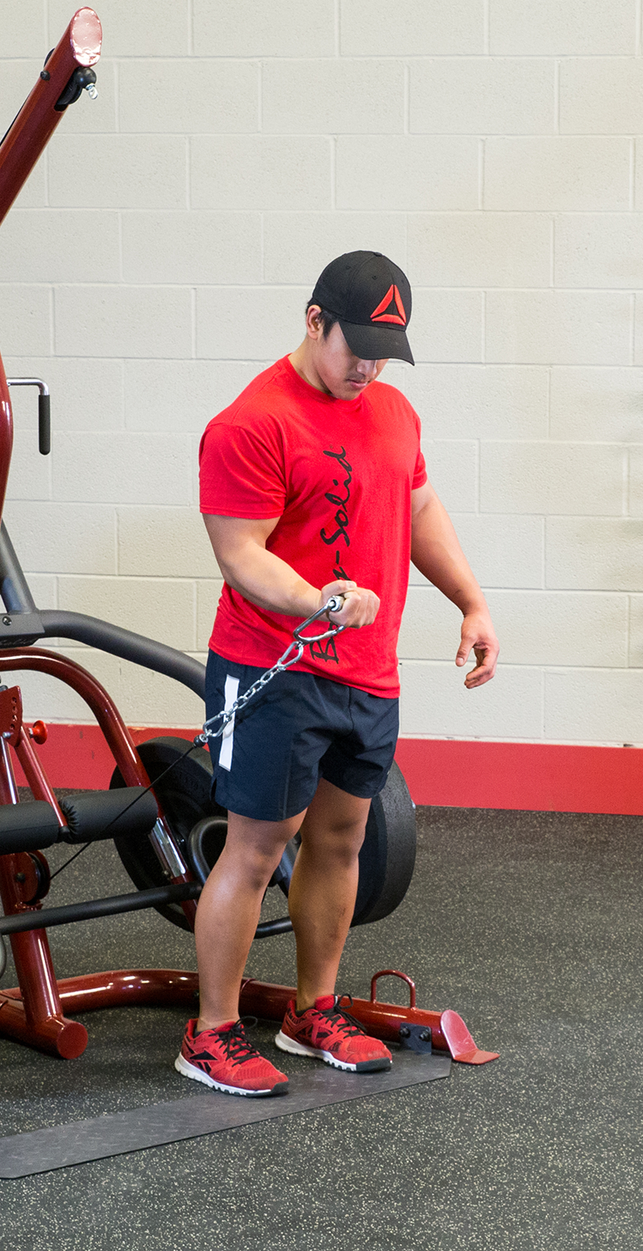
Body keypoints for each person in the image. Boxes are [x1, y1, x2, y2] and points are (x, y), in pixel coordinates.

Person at [175, 251, 499, 1096]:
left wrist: (471, 599)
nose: (367, 366)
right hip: (271, 668)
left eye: (383, 351)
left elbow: (417, 508)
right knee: (256, 847)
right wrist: (316, 599)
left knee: (342, 838)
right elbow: (239, 553)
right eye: (354, 345)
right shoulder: (251, 422)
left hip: (366, 670)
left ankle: (310, 1008)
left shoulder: (392, 410)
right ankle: (209, 1033)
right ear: (313, 319)